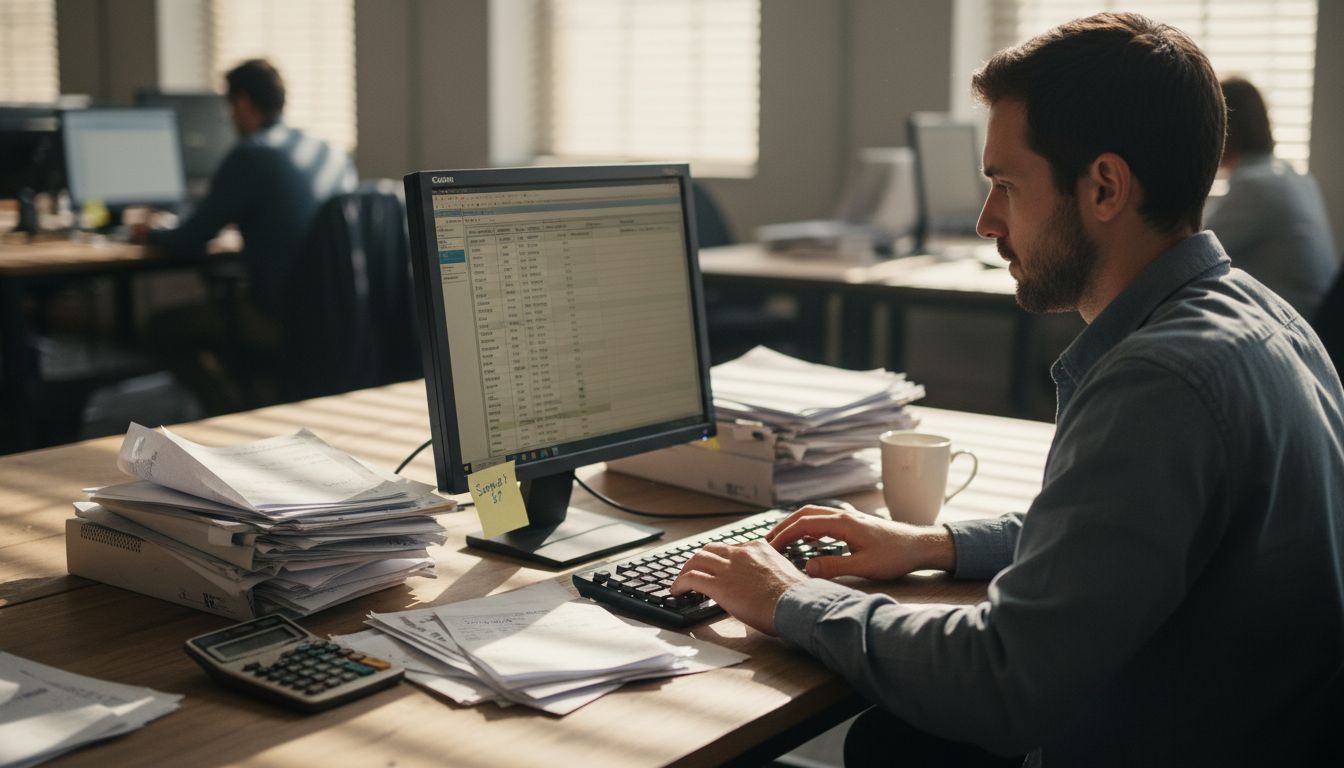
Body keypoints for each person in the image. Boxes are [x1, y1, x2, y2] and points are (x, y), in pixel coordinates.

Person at [671, 13, 1344, 767]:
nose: (988, 221)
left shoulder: (1160, 383)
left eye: (1005, 185)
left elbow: (1003, 679)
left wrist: (789, 599)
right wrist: (938, 544)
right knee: (889, 743)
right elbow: (1116, 535)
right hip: (1251, 727)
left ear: (1104, 187)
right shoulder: (1263, 315)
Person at [135, 59, 357, 413]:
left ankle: (227, 408)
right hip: (340, 315)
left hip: (278, 318)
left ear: (241, 103)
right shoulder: (329, 153)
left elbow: (189, 237)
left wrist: (152, 230)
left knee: (161, 327)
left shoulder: (252, 153)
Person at [1204, 76, 1338, 319]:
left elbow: (1194, 248)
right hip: (1312, 321)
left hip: (1291, 321)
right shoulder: (1291, 175)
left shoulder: (1255, 186)